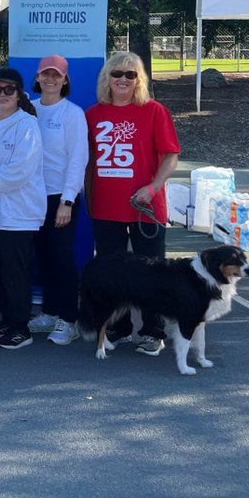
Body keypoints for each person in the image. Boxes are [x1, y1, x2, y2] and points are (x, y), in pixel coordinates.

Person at [85, 51, 180, 356]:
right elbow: (85, 163)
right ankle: (118, 327)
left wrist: (153, 187)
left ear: (139, 80)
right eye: (117, 74)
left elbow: (170, 155)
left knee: (151, 274)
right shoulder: (93, 114)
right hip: (106, 205)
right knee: (113, 273)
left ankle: (153, 331)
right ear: (107, 78)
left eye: (131, 74)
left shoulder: (154, 111)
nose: (123, 80)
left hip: (146, 207)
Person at [0, 67, 47, 351]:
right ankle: (7, 319)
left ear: (19, 93)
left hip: (18, 213)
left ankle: (20, 327)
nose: (1, 94)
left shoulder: (26, 124)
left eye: (8, 90)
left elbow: (19, 171)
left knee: (15, 273)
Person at [27, 55, 88, 346]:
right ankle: (50, 312)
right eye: (45, 74)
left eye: (57, 75)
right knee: (44, 256)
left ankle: (69, 318)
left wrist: (67, 200)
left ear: (65, 80)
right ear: (37, 78)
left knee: (62, 257)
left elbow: (78, 159)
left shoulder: (72, 113)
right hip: (31, 197)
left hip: (61, 197)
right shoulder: (29, 109)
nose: (50, 79)